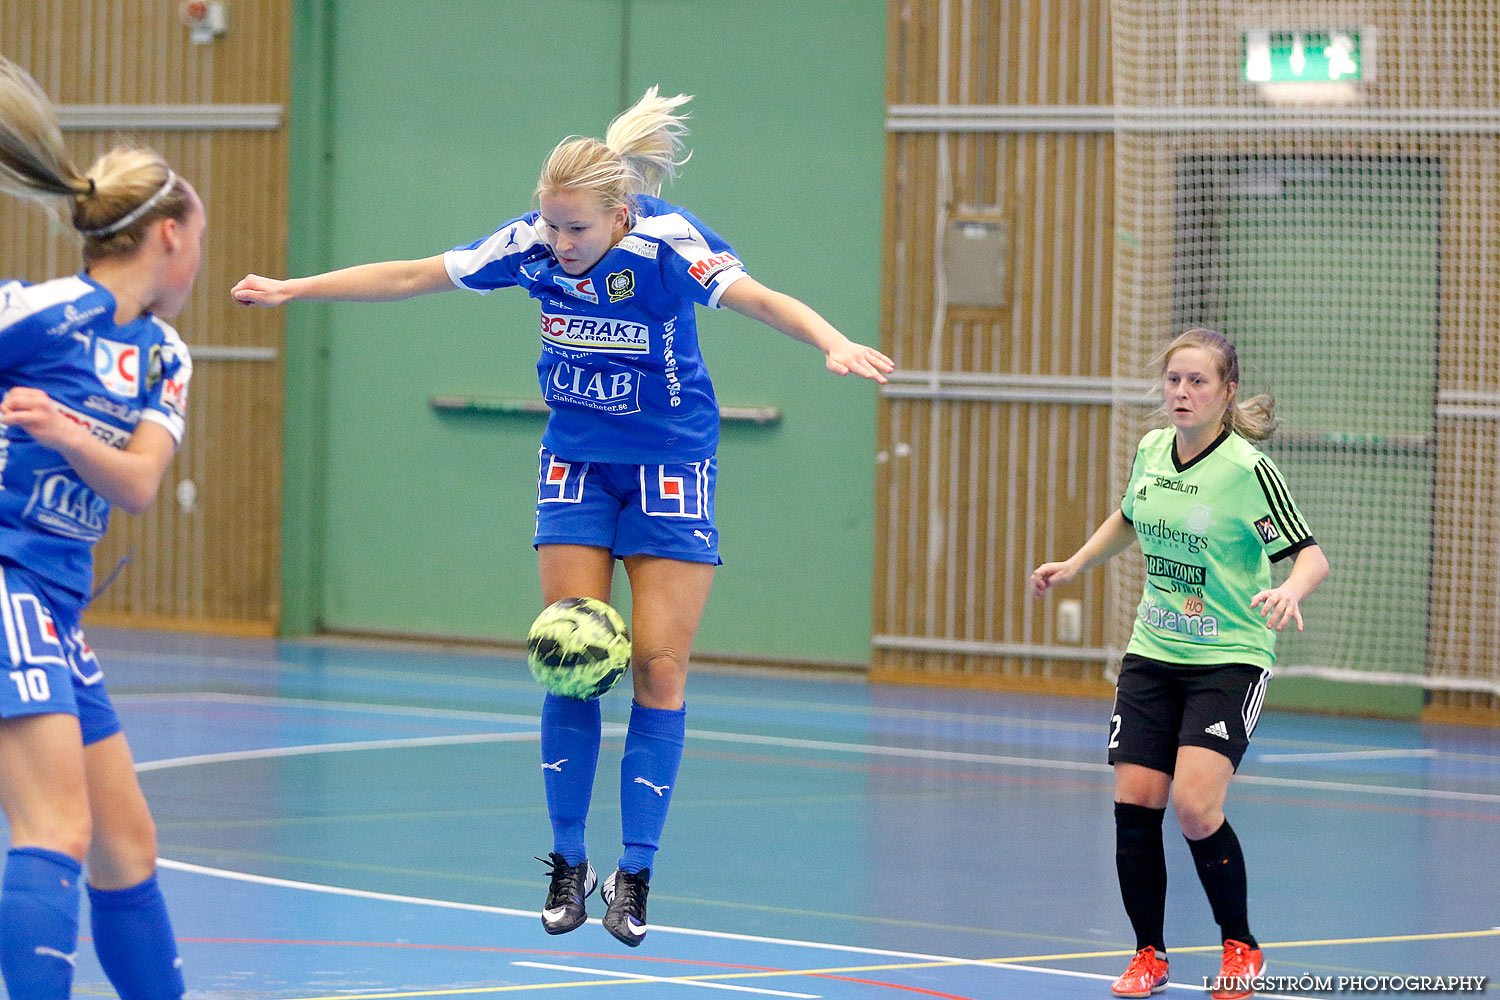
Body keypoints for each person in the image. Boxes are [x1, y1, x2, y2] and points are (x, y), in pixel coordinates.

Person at [232, 87, 893, 946]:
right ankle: (569, 862)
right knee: (570, 659)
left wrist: (831, 340)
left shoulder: (668, 246)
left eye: (576, 228)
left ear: (620, 215)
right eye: (551, 226)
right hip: (576, 462)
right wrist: (294, 288)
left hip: (668, 464)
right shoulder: (532, 247)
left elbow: (760, 299)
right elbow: (412, 274)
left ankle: (638, 873)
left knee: (658, 668)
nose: (560, 243)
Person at [1029, 328, 1328, 1000]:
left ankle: (1241, 945)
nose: (1182, 393)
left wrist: (1288, 588)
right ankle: (1149, 954)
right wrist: (1075, 562)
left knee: (1195, 807)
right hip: (1153, 653)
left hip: (1229, 658)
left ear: (1226, 393)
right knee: (1135, 803)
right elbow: (1130, 518)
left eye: (1197, 382)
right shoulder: (1151, 450)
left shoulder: (1248, 471)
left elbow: (1310, 555)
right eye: (1174, 381)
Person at [0, 56, 199, 999]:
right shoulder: (36, 317)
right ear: (169, 235)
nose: (197, 259)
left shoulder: (165, 356)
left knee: (125, 845)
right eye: (197, 239)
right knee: (56, 830)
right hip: (5, 579)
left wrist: (66, 429)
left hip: (56, 602)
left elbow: (139, 485)